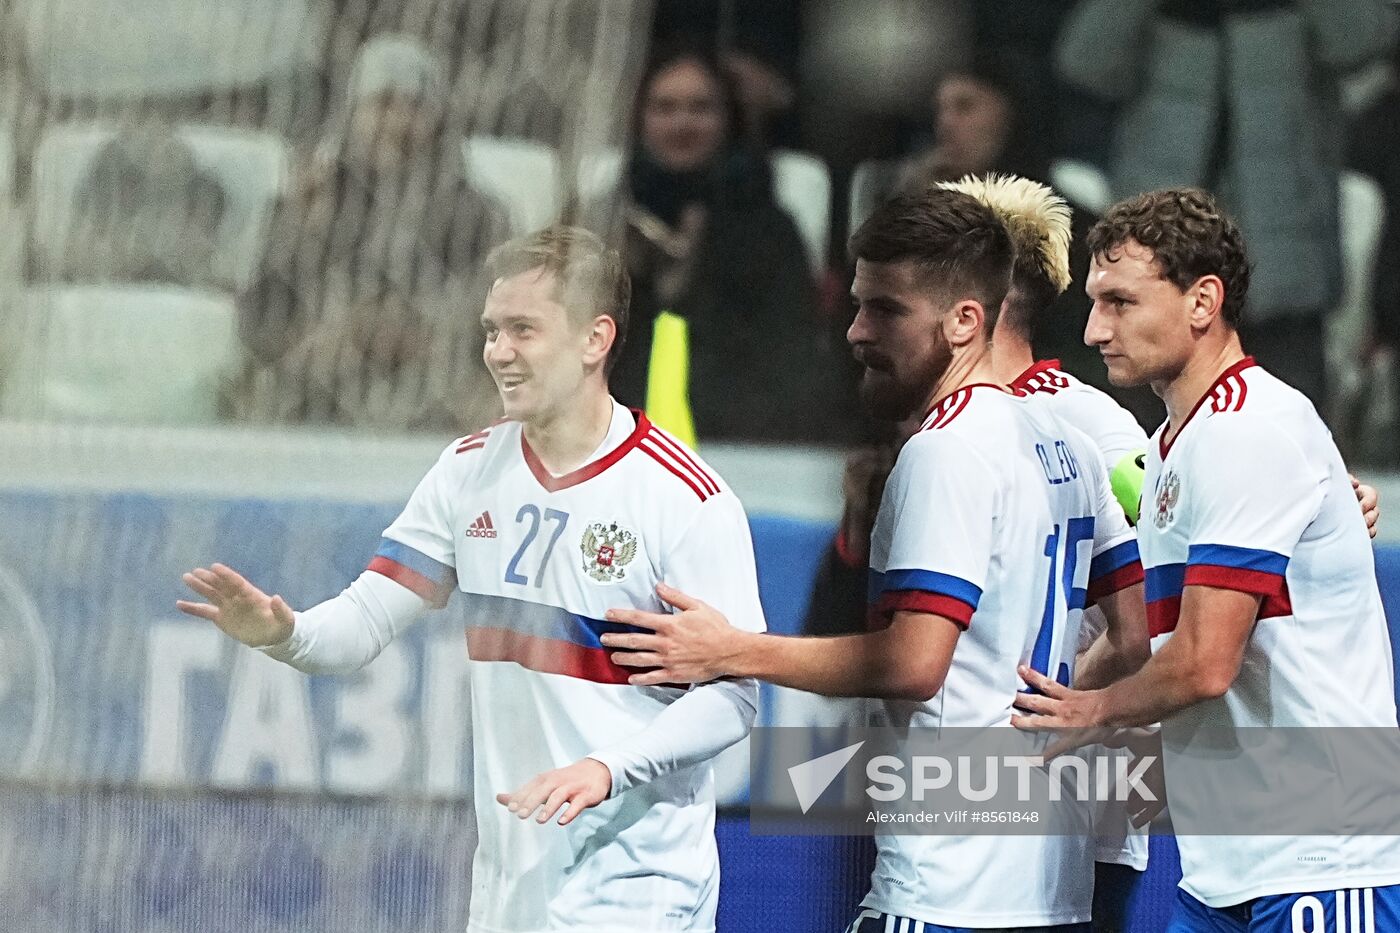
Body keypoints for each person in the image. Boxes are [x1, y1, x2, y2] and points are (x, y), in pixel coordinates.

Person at [178, 226, 766, 931]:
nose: (498, 352)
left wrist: (609, 768)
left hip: (636, 882)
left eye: (523, 330)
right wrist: (286, 633)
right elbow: (363, 622)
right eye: (492, 331)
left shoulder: (686, 499)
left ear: (594, 339)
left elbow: (734, 698)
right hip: (510, 889)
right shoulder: (468, 473)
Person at [604, 187, 1151, 931]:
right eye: (858, 304)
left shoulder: (952, 451)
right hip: (1046, 889)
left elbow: (912, 664)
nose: (857, 331)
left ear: (967, 317)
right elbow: (1133, 632)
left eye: (885, 309)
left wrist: (732, 649)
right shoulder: (1067, 446)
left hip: (947, 891)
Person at [1010, 188, 1400, 931]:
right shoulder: (1172, 451)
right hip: (1229, 868)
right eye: (1094, 303)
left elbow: (1202, 661)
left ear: (1202, 301)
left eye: (1122, 302)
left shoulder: (1247, 431)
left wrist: (1087, 710)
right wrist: (1045, 715)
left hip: (1324, 857)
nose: (1095, 328)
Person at [1056, 0, 1399, 410]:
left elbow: (1365, 40)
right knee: (1144, 444)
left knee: (1287, 435)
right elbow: (1084, 61)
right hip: (1157, 259)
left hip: (1283, 265)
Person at [230, 33, 510, 433]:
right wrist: (300, 231)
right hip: (323, 386)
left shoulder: (479, 213)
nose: (397, 122)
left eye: (413, 106)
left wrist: (428, 335)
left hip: (438, 390)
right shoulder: (309, 200)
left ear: (438, 118)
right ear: (352, 113)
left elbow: (511, 319)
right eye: (382, 103)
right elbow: (255, 321)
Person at [588, 41, 851, 445]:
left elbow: (792, 362)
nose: (682, 124)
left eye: (700, 108)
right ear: (639, 119)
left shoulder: (769, 229)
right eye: (665, 107)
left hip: (739, 452)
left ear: (729, 120)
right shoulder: (600, 223)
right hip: (601, 449)